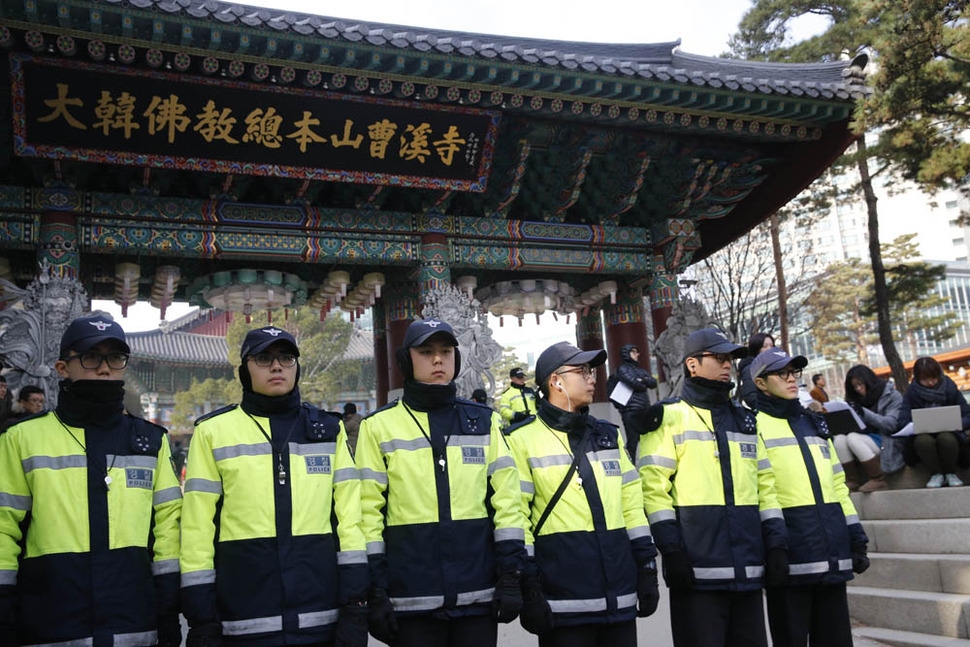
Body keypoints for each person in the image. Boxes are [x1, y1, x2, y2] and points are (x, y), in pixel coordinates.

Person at [0, 314, 182, 646]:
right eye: (90, 356)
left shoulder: (151, 440)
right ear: (61, 368)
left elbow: (168, 532)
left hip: (133, 624)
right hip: (49, 623)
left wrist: (168, 613)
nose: (104, 368)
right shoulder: (21, 438)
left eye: (115, 357)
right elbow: (3, 529)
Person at [180, 326, 368, 646]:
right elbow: (197, 526)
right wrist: (201, 616)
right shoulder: (212, 432)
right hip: (244, 617)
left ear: (297, 367)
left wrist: (355, 604)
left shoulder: (326, 430)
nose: (277, 366)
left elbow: (349, 520)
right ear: (245, 370)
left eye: (286, 357)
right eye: (263, 358)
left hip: (320, 616)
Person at [355, 318, 527, 647]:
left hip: (477, 593)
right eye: (426, 351)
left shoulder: (483, 422)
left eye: (446, 351)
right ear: (407, 360)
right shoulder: (378, 427)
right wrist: (375, 589)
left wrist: (511, 574)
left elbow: (508, 503)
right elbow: (367, 512)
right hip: (411, 599)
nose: (438, 359)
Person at [639, 328, 787, 647]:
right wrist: (672, 550)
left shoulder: (746, 422)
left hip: (748, 569)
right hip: (695, 573)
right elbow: (653, 492)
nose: (728, 365)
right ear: (692, 364)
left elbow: (766, 489)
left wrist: (776, 543)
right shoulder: (668, 417)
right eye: (719, 358)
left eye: (731, 359)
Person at [506, 342, 659, 647]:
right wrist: (529, 586)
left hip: (619, 595)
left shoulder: (609, 434)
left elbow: (631, 504)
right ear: (556, 381)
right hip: (562, 602)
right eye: (582, 371)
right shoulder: (519, 440)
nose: (592, 378)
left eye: (591, 371)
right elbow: (516, 516)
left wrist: (646, 566)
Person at [750, 348, 870, 647]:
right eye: (782, 373)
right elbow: (762, 491)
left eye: (794, 372)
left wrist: (855, 533)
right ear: (761, 383)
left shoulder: (814, 423)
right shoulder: (752, 427)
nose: (792, 379)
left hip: (831, 549)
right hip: (790, 554)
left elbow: (838, 484)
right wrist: (774, 545)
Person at [898, 356, 970, 488]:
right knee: (923, 441)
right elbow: (903, 418)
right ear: (918, 379)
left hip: (950, 432)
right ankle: (935, 474)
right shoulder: (912, 392)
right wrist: (914, 425)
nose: (931, 382)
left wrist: (957, 423)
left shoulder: (949, 388)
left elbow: (967, 414)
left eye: (934, 378)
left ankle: (950, 473)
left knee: (946, 438)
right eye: (925, 379)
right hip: (922, 433)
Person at [841, 365, 904, 493]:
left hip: (886, 440)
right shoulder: (854, 399)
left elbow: (891, 424)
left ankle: (878, 479)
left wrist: (864, 413)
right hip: (863, 438)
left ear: (868, 381)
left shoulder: (891, 395)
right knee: (840, 440)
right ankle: (852, 480)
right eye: (854, 387)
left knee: (853, 438)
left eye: (860, 384)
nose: (858, 389)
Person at [615, 344, 658, 460]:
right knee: (632, 440)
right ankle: (630, 465)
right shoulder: (622, 369)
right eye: (633, 352)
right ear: (626, 354)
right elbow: (634, 383)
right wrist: (644, 382)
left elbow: (653, 383)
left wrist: (643, 381)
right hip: (629, 410)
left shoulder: (641, 370)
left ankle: (650, 461)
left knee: (649, 437)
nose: (637, 354)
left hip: (645, 408)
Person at [737, 333, 774, 409]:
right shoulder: (750, 367)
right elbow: (750, 396)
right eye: (765, 346)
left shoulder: (771, 366)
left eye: (771, 345)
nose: (769, 349)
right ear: (756, 348)